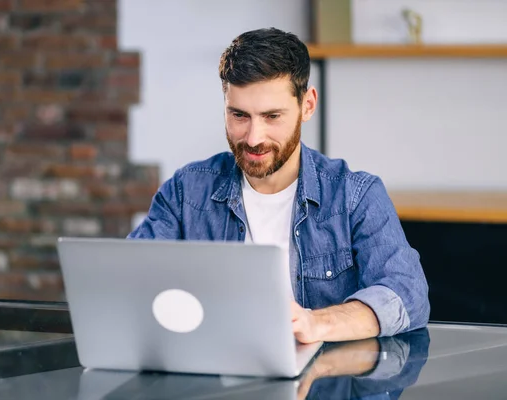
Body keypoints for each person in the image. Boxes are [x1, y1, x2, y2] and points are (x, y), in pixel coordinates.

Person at [128, 27, 430, 344]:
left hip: (323, 386)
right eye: (239, 115)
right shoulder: (185, 192)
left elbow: (407, 294)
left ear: (307, 105)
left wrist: (318, 323)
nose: (254, 137)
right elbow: (130, 279)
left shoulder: (355, 196)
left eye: (272, 116)